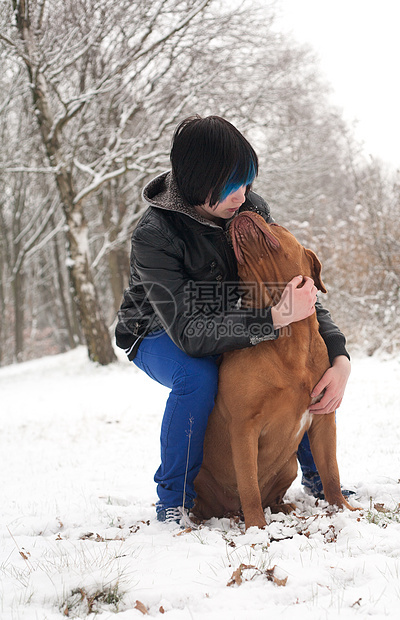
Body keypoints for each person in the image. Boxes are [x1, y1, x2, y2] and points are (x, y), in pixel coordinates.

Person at [115, 115, 352, 525]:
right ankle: (174, 501)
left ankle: (318, 479)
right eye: (230, 186)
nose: (242, 196)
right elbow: (189, 333)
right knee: (199, 377)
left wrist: (338, 356)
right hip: (159, 329)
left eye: (247, 182)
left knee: (299, 363)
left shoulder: (247, 209)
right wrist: (275, 317)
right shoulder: (155, 234)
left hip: (242, 316)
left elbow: (296, 286)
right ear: (195, 182)